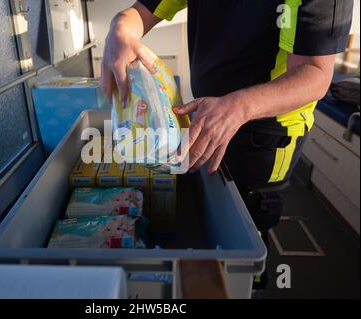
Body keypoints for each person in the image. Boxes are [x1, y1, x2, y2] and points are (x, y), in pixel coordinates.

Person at [100, 0, 353, 289]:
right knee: (214, 211)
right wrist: (119, 29)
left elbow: (315, 74)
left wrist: (237, 107)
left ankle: (250, 283)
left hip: (266, 133)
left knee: (248, 224)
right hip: (210, 112)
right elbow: (139, 13)